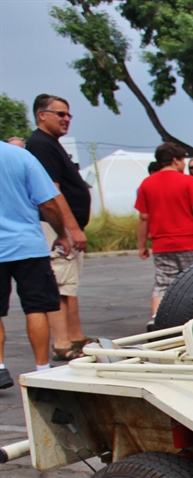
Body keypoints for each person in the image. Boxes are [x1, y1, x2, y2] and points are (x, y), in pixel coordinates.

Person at [0, 141, 86, 387]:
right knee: (35, 307)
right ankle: (41, 368)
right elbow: (48, 202)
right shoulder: (21, 156)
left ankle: (0, 367)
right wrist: (61, 233)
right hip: (27, 245)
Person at [26, 93, 92, 362]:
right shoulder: (41, 145)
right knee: (61, 285)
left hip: (62, 227)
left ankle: (75, 335)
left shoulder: (51, 144)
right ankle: (62, 342)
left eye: (68, 114)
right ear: (42, 115)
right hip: (55, 228)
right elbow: (52, 192)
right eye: (60, 114)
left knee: (69, 284)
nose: (66, 119)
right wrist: (71, 229)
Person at [134, 143, 193, 328]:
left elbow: (143, 217)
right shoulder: (188, 182)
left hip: (162, 244)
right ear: (175, 160)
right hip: (191, 242)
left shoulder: (147, 184)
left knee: (163, 284)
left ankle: (156, 319)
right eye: (182, 160)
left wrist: (142, 245)